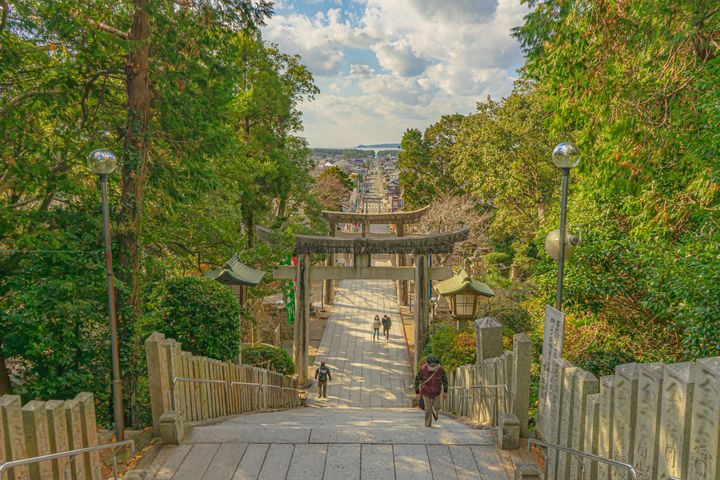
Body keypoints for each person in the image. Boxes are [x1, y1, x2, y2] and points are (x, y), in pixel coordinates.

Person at [414, 355, 448, 427]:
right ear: (427, 363)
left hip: (437, 391)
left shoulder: (441, 370)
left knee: (437, 406)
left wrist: (445, 391)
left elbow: (445, 380)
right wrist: (417, 392)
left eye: (434, 365)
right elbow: (417, 380)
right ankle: (427, 423)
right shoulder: (423, 369)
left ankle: (436, 412)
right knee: (428, 408)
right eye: (431, 365)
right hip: (426, 391)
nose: (433, 366)